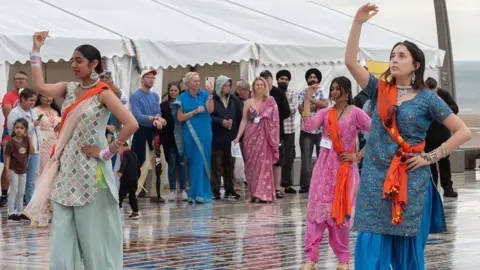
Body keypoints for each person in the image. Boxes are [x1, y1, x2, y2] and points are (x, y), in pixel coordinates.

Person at [345, 5, 471, 269]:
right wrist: (357, 23)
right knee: (369, 243)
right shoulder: (379, 89)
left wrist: (430, 157)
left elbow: (463, 131)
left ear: (415, 65)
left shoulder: (428, 98)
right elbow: (350, 63)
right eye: (392, 55)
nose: (394, 59)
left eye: (401, 55)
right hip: (374, 180)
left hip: (410, 181)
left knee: (407, 250)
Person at [24, 31, 139, 269]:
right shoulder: (69, 88)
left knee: (92, 235)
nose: (73, 65)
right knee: (61, 233)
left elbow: (131, 124)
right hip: (66, 169)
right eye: (72, 60)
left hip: (91, 172)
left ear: (93, 63)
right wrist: (36, 50)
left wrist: (106, 152)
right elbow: (39, 85)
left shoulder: (103, 94)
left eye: (79, 60)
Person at [300, 77, 371, 270]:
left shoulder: (356, 113)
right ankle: (311, 259)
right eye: (332, 89)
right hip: (323, 170)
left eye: (338, 89)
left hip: (344, 172)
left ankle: (343, 260)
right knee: (316, 215)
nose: (334, 92)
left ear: (347, 92)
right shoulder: (325, 113)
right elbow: (307, 126)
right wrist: (307, 99)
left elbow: (376, 134)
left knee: (340, 216)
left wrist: (357, 156)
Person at [234, 77, 279, 203]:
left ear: (265, 87)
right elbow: (244, 120)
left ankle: (263, 193)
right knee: (251, 165)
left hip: (265, 135)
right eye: (257, 85)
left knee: (263, 164)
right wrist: (238, 137)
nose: (259, 87)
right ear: (253, 87)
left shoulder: (270, 101)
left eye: (261, 85)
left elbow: (275, 120)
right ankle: (254, 192)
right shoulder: (248, 102)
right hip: (250, 136)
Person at [172, 72, 214, 204]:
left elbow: (211, 110)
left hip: (205, 131)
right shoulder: (182, 97)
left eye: (198, 80)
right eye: (195, 81)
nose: (197, 83)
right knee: (195, 161)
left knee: (204, 160)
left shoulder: (205, 94)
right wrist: (194, 112)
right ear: (188, 83)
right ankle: (195, 193)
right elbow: (179, 118)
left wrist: (211, 95)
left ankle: (203, 193)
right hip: (190, 133)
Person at [130, 69, 166, 202]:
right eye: (149, 77)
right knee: (142, 165)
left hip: (154, 133)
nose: (151, 80)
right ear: (142, 79)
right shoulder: (135, 96)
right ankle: (133, 193)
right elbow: (138, 116)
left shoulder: (155, 96)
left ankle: (156, 193)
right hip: (142, 132)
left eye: (153, 78)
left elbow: (158, 111)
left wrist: (159, 119)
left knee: (161, 163)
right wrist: (155, 118)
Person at [425, 77, 459, 197]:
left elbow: (455, 108)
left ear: (437, 88)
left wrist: (443, 106)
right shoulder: (423, 96)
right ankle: (433, 190)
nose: (433, 95)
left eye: (434, 92)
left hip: (443, 135)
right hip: (428, 136)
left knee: (445, 163)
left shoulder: (444, 94)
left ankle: (448, 189)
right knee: (431, 164)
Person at [7, 88, 42, 207]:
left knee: (32, 180)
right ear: (22, 99)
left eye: (34, 100)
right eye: (31, 100)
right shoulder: (14, 113)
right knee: (19, 180)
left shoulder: (33, 112)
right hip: (20, 151)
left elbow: (37, 131)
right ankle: (16, 208)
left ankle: (29, 206)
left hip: (34, 148)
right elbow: (15, 132)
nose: (33, 103)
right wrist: (32, 125)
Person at [210, 75, 242, 200]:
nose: (227, 88)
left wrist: (239, 135)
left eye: (229, 85)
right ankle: (215, 190)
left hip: (231, 137)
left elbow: (239, 117)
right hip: (217, 137)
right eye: (224, 86)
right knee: (216, 164)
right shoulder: (213, 99)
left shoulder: (233, 99)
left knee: (230, 164)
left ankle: (230, 189)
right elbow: (209, 116)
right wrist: (221, 121)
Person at [260, 70, 290, 199]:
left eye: (267, 79)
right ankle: (264, 186)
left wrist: (274, 119)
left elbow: (286, 111)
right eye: (263, 80)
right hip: (261, 132)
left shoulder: (278, 93)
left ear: (272, 80)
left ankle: (277, 188)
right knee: (263, 159)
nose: (265, 82)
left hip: (277, 132)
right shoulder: (258, 94)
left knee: (278, 159)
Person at [297, 68, 328, 193]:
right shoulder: (301, 93)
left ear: (318, 79)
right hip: (306, 132)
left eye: (315, 77)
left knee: (322, 159)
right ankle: (305, 186)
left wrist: (309, 100)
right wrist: (312, 103)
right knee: (306, 160)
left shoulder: (323, 92)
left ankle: (321, 184)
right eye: (310, 77)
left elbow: (325, 105)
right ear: (307, 79)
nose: (312, 79)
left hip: (321, 131)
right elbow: (301, 111)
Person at [0, 70, 27, 206]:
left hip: (26, 134)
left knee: (23, 163)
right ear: (14, 81)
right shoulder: (9, 96)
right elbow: (7, 112)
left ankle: (22, 195)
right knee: (7, 164)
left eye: (23, 79)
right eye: (18, 79)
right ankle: (4, 194)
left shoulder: (28, 95)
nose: (20, 81)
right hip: (10, 132)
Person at [161, 82, 188, 201]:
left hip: (181, 138)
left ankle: (183, 189)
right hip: (169, 139)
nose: (173, 92)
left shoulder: (183, 104)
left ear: (179, 91)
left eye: (175, 90)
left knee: (182, 164)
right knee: (171, 164)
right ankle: (172, 189)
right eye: (171, 90)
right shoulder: (163, 105)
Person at [5, 118, 35, 222]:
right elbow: (7, 156)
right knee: (14, 190)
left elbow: (32, 152)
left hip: (23, 169)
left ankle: (20, 211)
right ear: (13, 129)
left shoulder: (26, 141)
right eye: (16, 127)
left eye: (21, 128)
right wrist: (7, 169)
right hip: (13, 169)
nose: (18, 130)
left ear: (25, 130)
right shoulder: (11, 142)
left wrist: (30, 141)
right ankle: (10, 212)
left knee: (21, 191)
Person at [276, 70, 298, 194]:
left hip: (289, 130)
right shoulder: (273, 92)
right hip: (277, 130)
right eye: (282, 79)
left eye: (286, 79)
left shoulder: (292, 93)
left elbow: (293, 109)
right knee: (277, 157)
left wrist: (281, 108)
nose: (284, 81)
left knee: (289, 156)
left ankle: (287, 184)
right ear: (277, 80)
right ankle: (276, 185)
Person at [34, 94, 61, 175]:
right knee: (42, 168)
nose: (48, 98)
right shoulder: (35, 110)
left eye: (50, 96)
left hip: (55, 142)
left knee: (53, 169)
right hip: (42, 142)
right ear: (40, 97)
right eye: (45, 96)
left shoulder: (56, 111)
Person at [117, 143, 140, 220]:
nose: (118, 151)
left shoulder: (124, 153)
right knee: (132, 195)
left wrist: (120, 172)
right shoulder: (134, 154)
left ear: (121, 147)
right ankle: (135, 212)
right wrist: (137, 177)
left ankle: (117, 211)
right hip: (134, 179)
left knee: (120, 195)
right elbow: (138, 167)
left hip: (126, 179)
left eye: (118, 149)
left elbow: (124, 163)